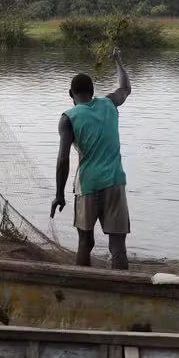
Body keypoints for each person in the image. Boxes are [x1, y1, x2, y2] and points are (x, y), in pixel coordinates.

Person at [51, 48, 132, 269]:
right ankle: (121, 292)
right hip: (115, 182)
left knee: (85, 242)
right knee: (118, 247)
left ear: (70, 94)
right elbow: (125, 88)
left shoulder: (68, 118)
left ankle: (83, 288)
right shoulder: (109, 104)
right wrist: (118, 61)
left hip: (88, 185)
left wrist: (59, 195)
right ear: (93, 91)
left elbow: (62, 160)